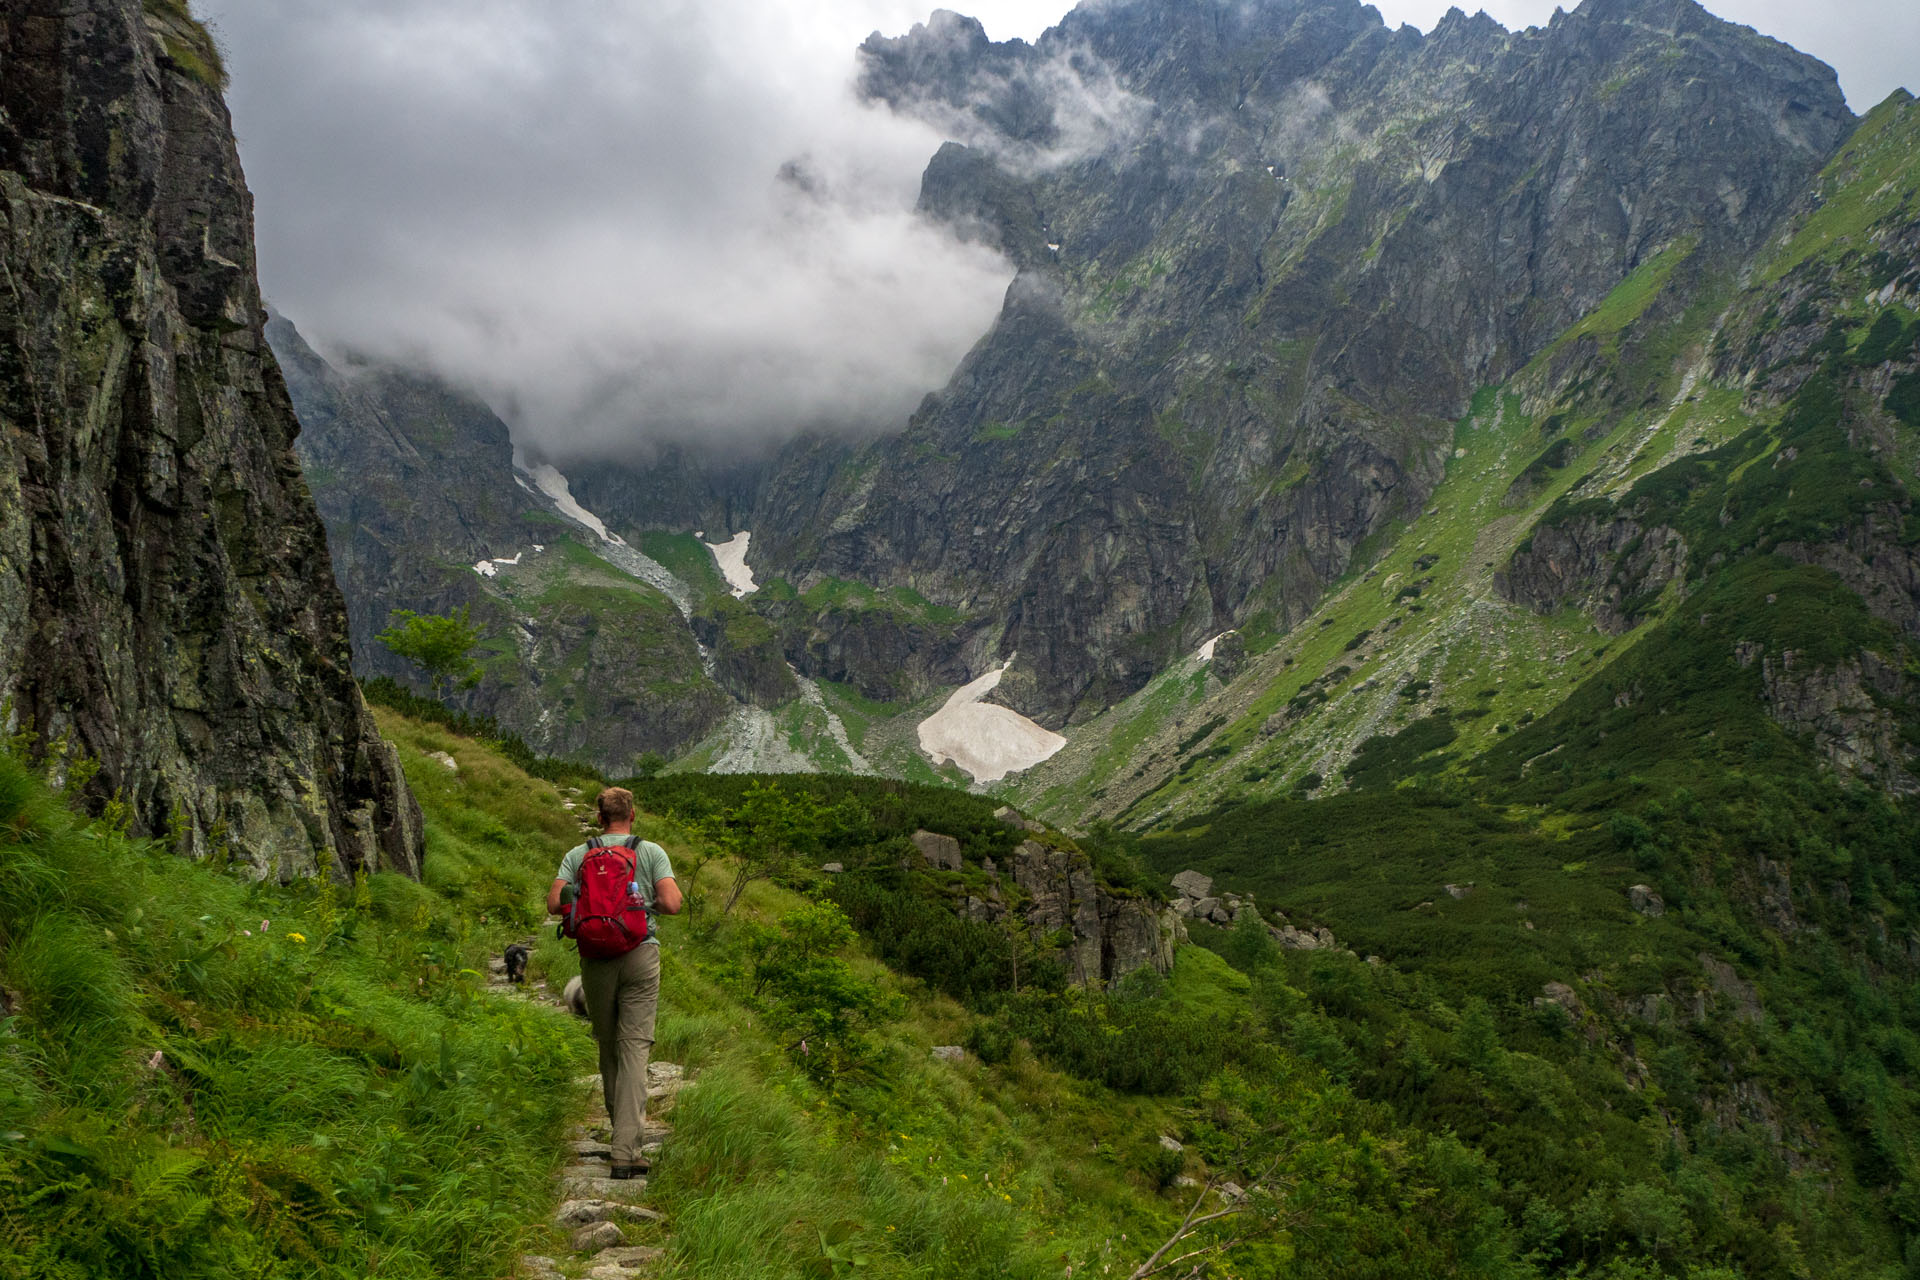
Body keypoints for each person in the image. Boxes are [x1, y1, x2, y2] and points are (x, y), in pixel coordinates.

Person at [547, 786, 682, 1178]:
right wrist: (645, 905)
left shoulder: (579, 854)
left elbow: (555, 904)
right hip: (641, 953)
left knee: (608, 1046)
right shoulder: (651, 852)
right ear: (632, 815)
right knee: (635, 1049)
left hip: (595, 958)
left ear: (599, 817)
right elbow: (672, 903)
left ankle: (619, 1133)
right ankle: (626, 1151)